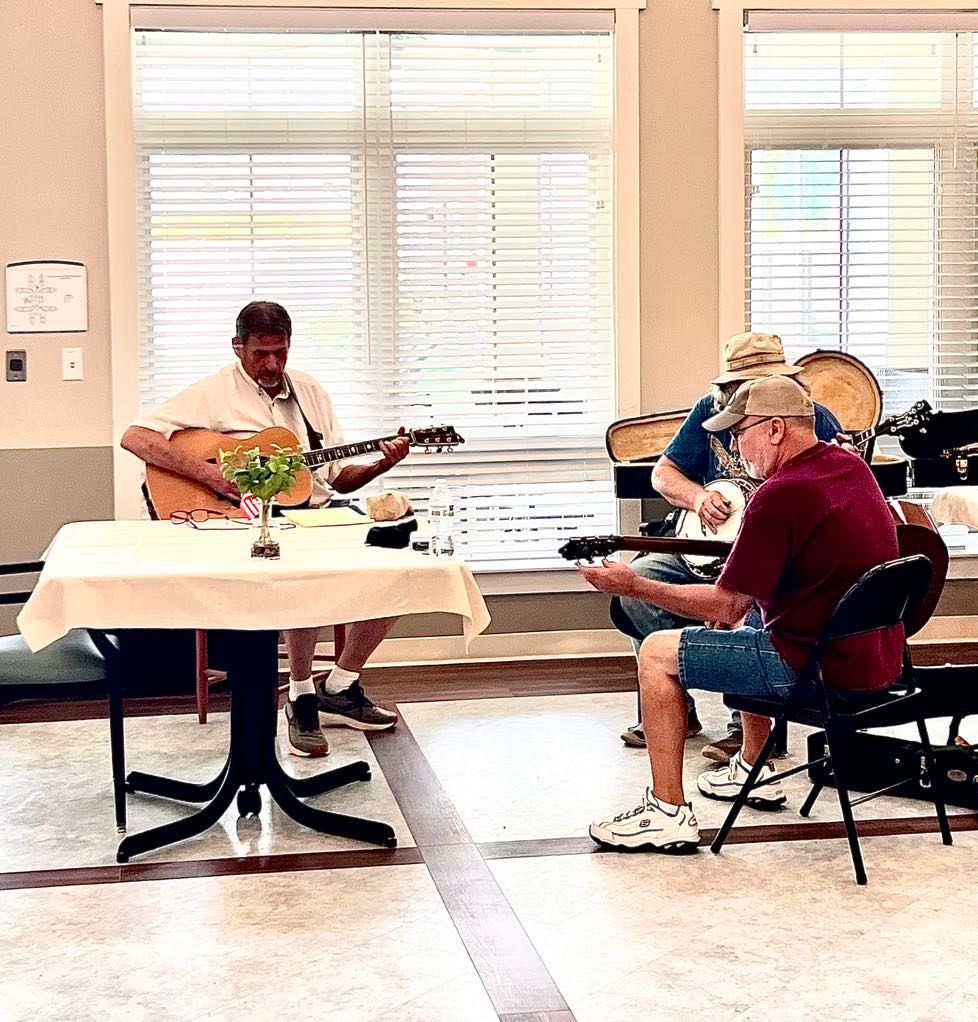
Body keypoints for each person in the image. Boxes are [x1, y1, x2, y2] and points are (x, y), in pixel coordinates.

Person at [580, 375, 903, 853]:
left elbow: (726, 602)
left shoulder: (781, 493)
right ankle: (756, 765)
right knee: (750, 617)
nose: (733, 444)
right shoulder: (850, 469)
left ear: (775, 429)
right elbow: (755, 598)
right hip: (876, 659)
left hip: (813, 669)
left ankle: (666, 812)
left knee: (656, 652)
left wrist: (634, 584)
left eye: (739, 432)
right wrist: (734, 613)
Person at [121, 300, 409, 758]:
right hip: (255, 525)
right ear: (239, 348)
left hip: (316, 514)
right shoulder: (214, 392)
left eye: (280, 352)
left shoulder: (310, 392)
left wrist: (379, 464)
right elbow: (136, 437)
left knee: (398, 571)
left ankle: (341, 682)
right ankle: (300, 696)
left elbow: (335, 477)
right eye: (261, 354)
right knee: (306, 584)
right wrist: (215, 478)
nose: (272, 363)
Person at [615, 332, 843, 763]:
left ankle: (752, 729)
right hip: (709, 548)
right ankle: (672, 701)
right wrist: (698, 498)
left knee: (751, 607)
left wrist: (724, 604)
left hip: (771, 560)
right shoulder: (709, 412)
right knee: (640, 583)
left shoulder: (811, 417)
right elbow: (663, 474)